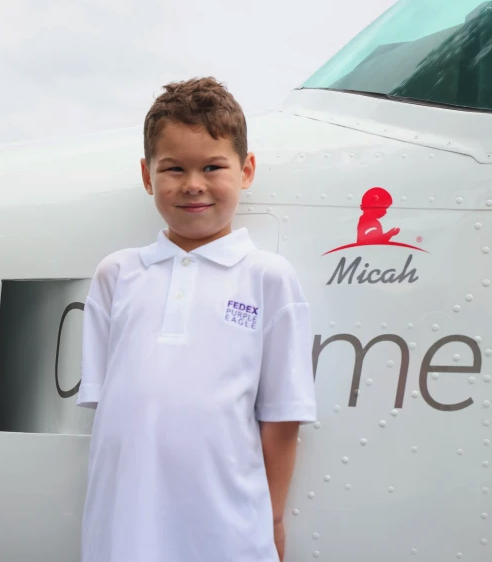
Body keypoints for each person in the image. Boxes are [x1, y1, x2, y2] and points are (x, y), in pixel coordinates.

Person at [76, 76, 317, 562]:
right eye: (173, 169)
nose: (192, 184)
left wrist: (271, 518)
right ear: (147, 176)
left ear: (246, 170)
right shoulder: (116, 275)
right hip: (122, 530)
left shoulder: (269, 278)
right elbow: (112, 417)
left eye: (212, 166)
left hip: (230, 533)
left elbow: (283, 417)